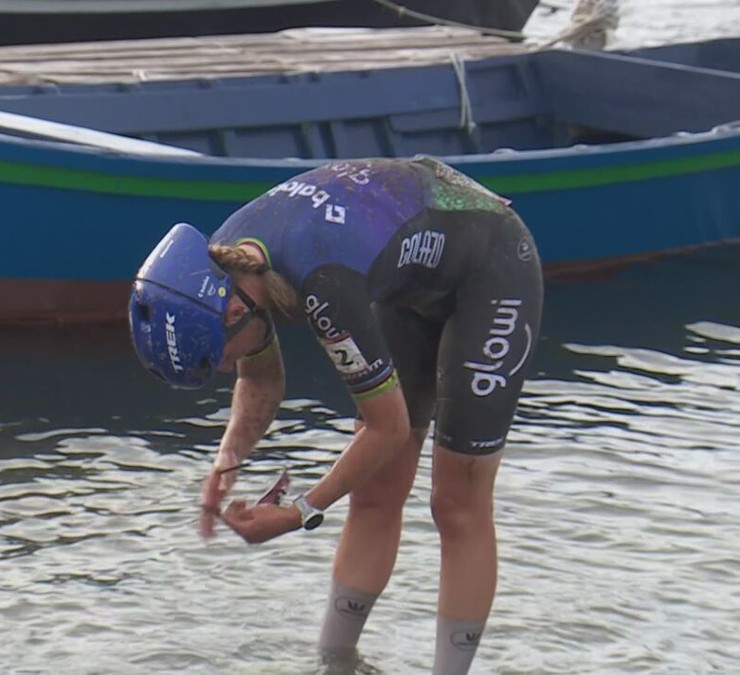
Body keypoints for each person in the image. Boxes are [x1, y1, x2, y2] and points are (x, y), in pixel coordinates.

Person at [128, 155, 542, 674]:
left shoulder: (320, 284)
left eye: (221, 360)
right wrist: (227, 462)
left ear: (234, 313)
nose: (228, 370)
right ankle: (336, 665)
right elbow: (259, 377)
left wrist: (300, 511)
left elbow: (385, 426)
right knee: (374, 489)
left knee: (456, 502)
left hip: (492, 266)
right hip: (410, 273)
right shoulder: (224, 265)